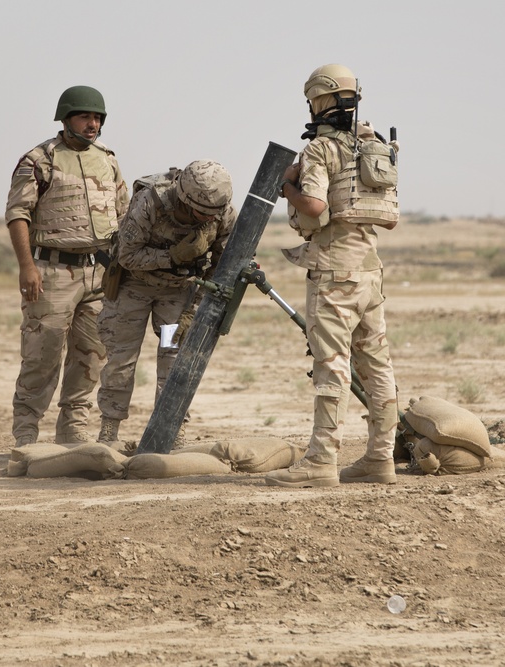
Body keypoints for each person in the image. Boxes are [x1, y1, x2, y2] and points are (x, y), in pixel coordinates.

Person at [266, 64, 401, 488]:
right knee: (377, 367)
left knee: (332, 368)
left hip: (333, 274)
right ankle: (380, 460)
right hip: (369, 271)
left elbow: (315, 208)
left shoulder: (320, 150)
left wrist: (286, 187)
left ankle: (321, 462)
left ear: (319, 100)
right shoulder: (373, 147)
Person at [5, 85, 129, 447]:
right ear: (66, 118)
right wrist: (26, 267)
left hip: (100, 273)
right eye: (84, 117)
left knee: (91, 355)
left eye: (97, 118)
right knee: (41, 355)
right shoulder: (39, 160)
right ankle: (26, 434)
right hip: (52, 273)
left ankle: (73, 429)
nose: (92, 124)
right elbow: (17, 215)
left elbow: (123, 213)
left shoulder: (107, 159)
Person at [96, 160, 236, 446]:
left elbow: (221, 268)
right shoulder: (150, 202)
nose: (209, 220)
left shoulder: (222, 213)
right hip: (133, 287)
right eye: (202, 214)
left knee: (173, 359)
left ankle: (172, 430)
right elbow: (127, 256)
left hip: (177, 293)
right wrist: (173, 256)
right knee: (121, 359)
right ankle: (109, 430)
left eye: (214, 214)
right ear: (185, 200)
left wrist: (192, 309)